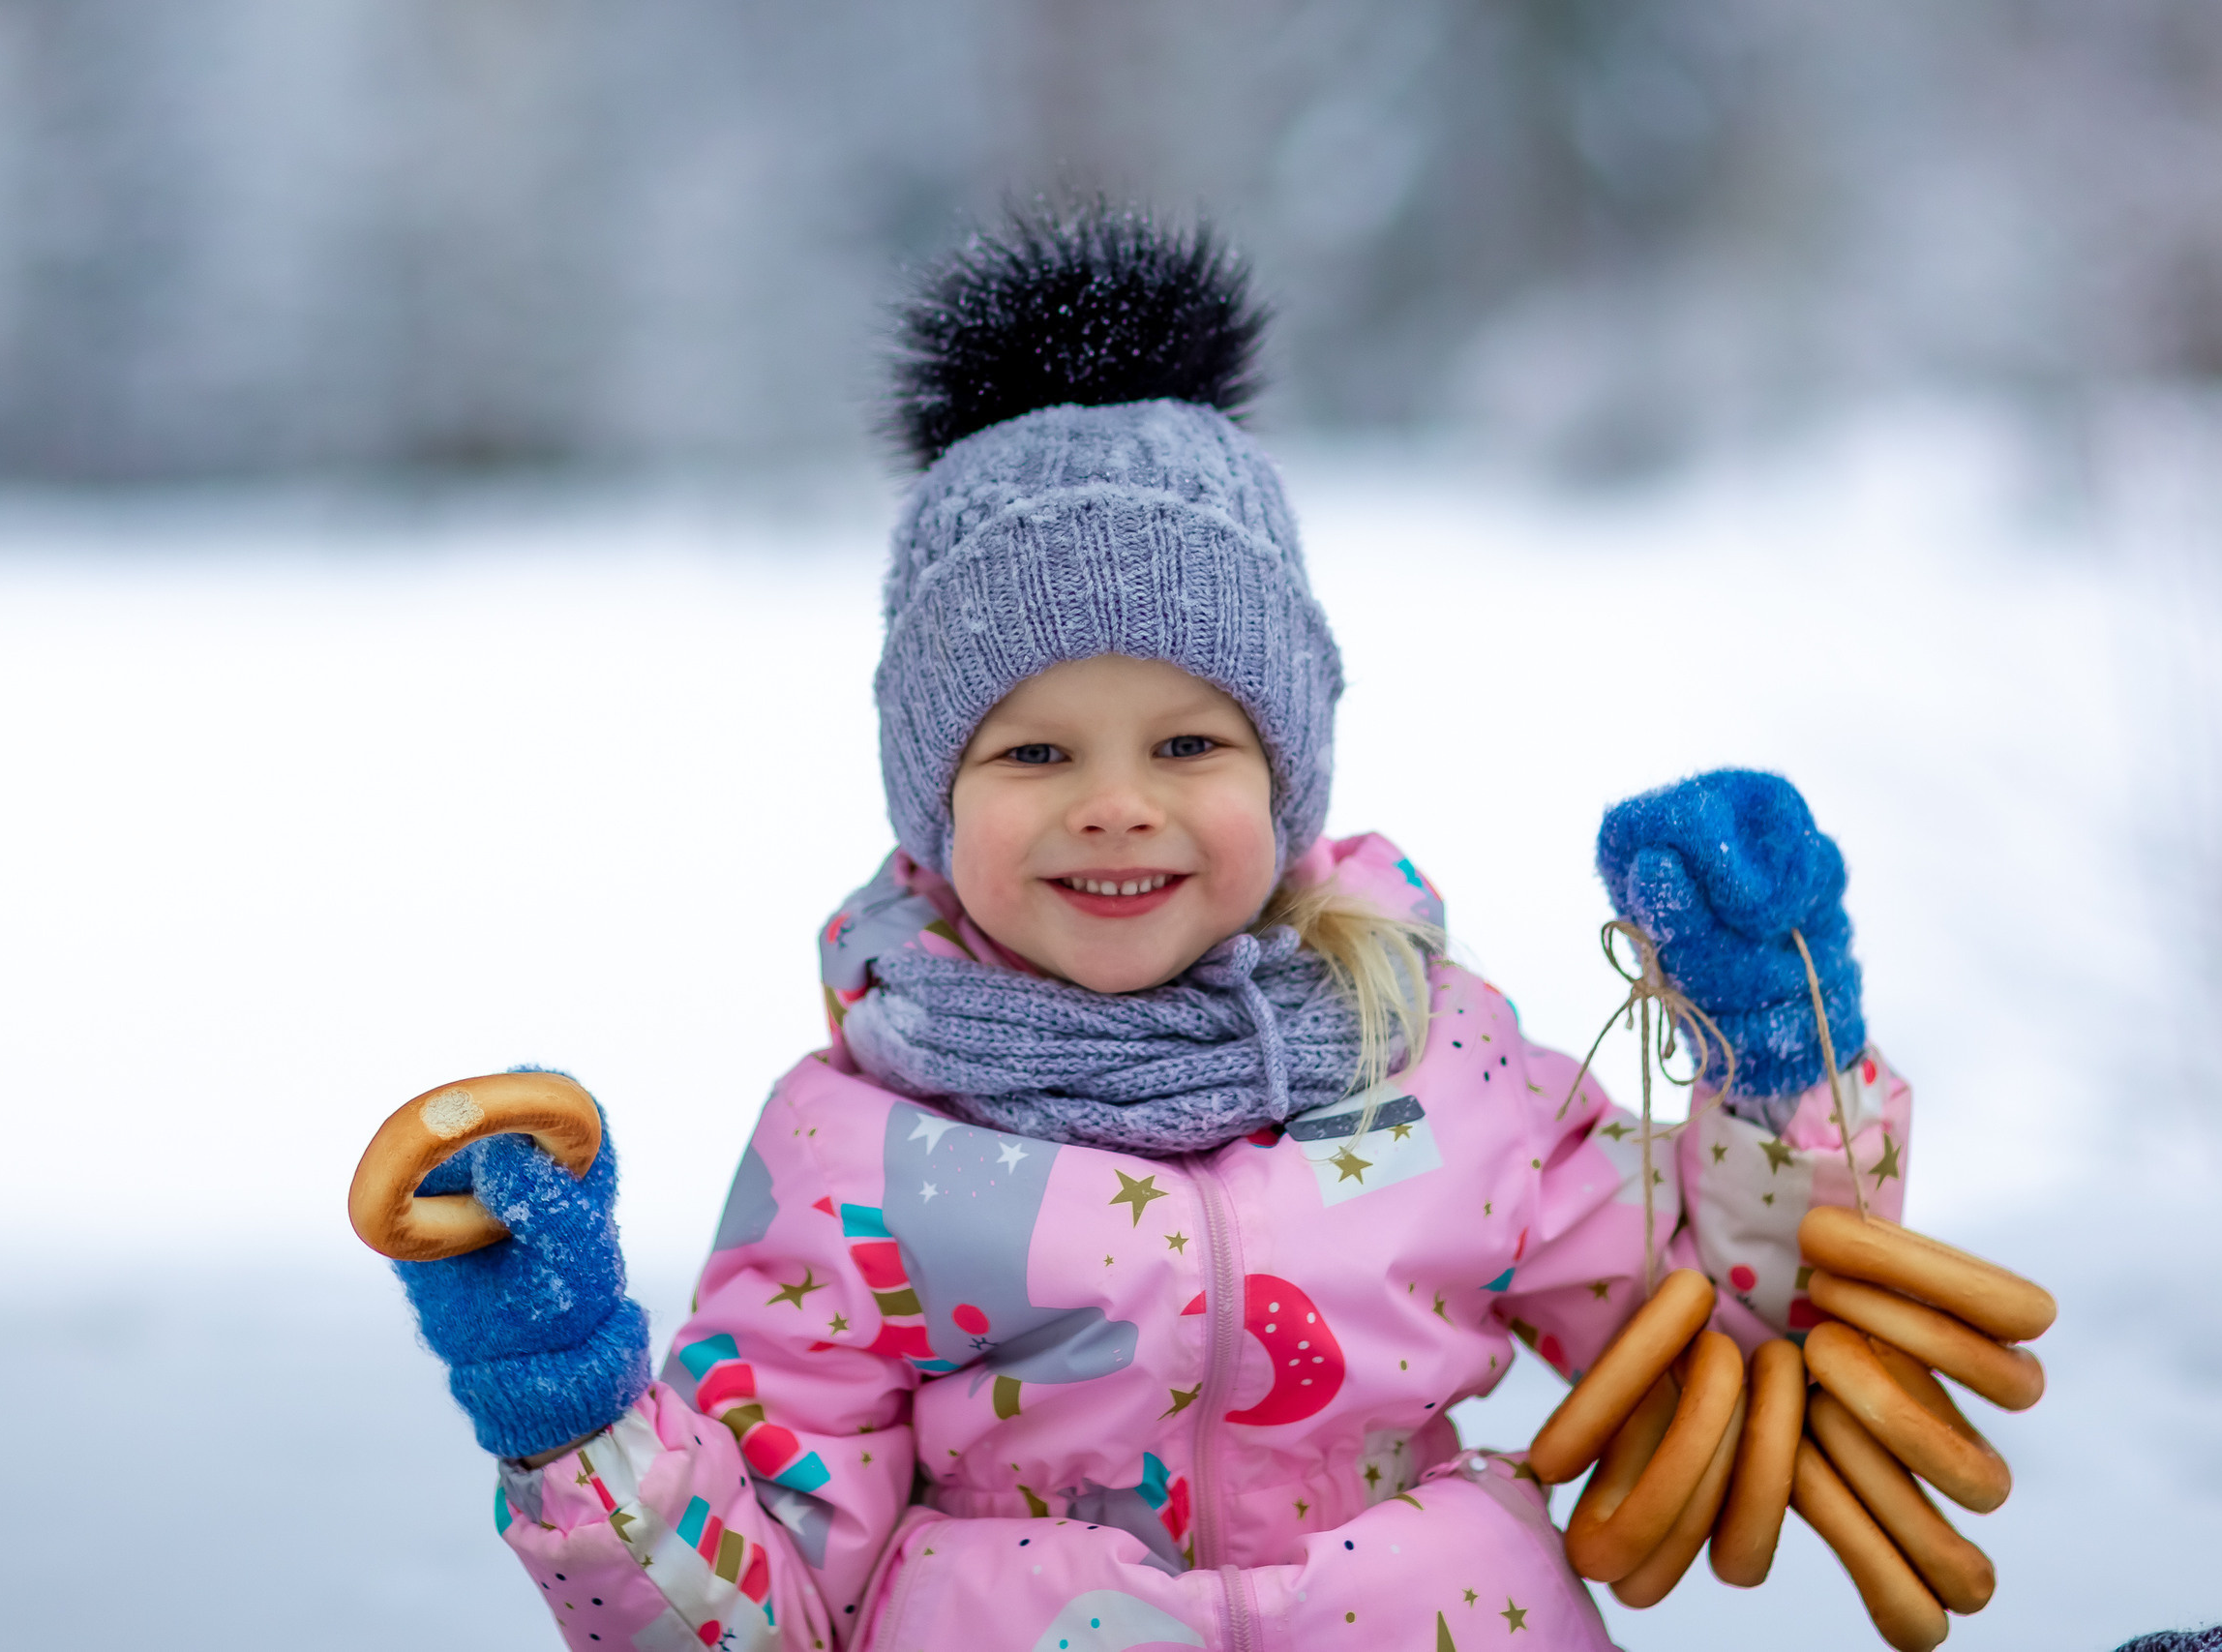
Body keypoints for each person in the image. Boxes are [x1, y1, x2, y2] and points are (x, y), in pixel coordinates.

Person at [386, 206, 1925, 1652]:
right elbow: (767, 1615)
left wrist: (1776, 1044)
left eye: (1189, 747)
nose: (1117, 806)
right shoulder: (849, 1153)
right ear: (931, 795)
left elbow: (1738, 1336)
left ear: (1289, 774)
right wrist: (579, 1423)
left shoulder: (1441, 1057)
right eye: (1035, 753)